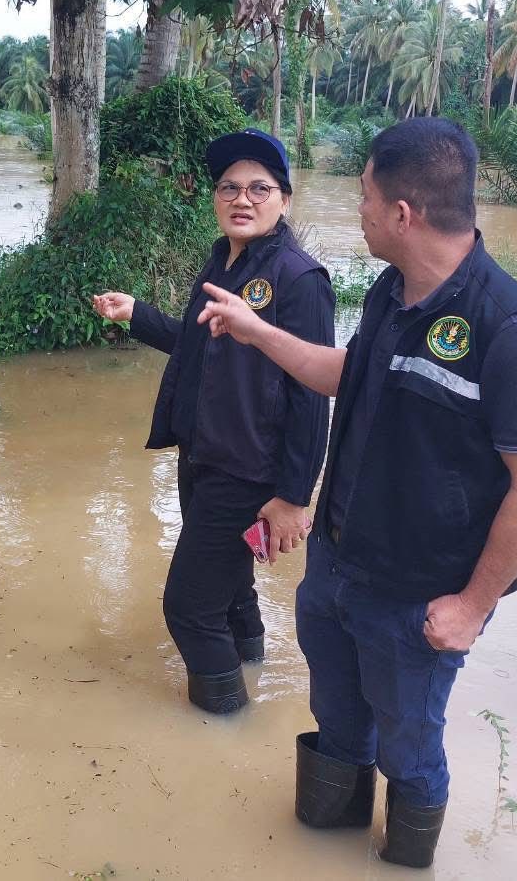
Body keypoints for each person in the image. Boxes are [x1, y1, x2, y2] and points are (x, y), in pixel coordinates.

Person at [197, 117, 517, 867]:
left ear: (403, 214)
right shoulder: (391, 293)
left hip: (418, 599)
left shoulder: (510, 331)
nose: (356, 211)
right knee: (336, 722)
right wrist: (255, 330)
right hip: (337, 566)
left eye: (363, 197)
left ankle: (401, 861)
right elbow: (346, 374)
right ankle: (325, 851)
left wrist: (472, 607)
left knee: (408, 746)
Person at [93, 128, 333, 715]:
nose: (241, 199)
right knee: (230, 588)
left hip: (247, 470)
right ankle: (251, 662)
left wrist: (293, 496)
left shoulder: (299, 278)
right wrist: (137, 315)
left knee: (189, 607)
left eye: (258, 188)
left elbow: (313, 392)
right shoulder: (223, 260)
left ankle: (226, 718)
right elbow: (199, 346)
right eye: (228, 187)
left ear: (285, 199)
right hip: (203, 456)